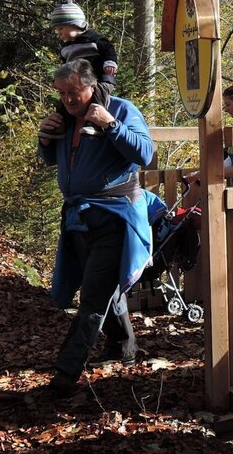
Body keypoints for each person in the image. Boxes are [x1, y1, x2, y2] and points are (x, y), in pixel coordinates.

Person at [37, 59, 154, 396]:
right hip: (78, 219)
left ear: (90, 85)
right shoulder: (64, 116)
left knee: (91, 299)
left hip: (115, 217)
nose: (68, 100)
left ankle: (64, 376)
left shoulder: (120, 108)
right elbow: (54, 160)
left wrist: (112, 125)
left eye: (74, 92)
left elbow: (145, 154)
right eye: (62, 93)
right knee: (104, 289)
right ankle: (124, 347)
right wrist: (45, 140)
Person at [41, 0, 119, 138]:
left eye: (61, 29)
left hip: (99, 79)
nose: (59, 34)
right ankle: (59, 126)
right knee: (63, 102)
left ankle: (94, 124)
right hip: (76, 84)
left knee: (97, 95)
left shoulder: (94, 39)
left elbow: (109, 49)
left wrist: (110, 63)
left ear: (74, 24)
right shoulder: (65, 49)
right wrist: (59, 81)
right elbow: (65, 68)